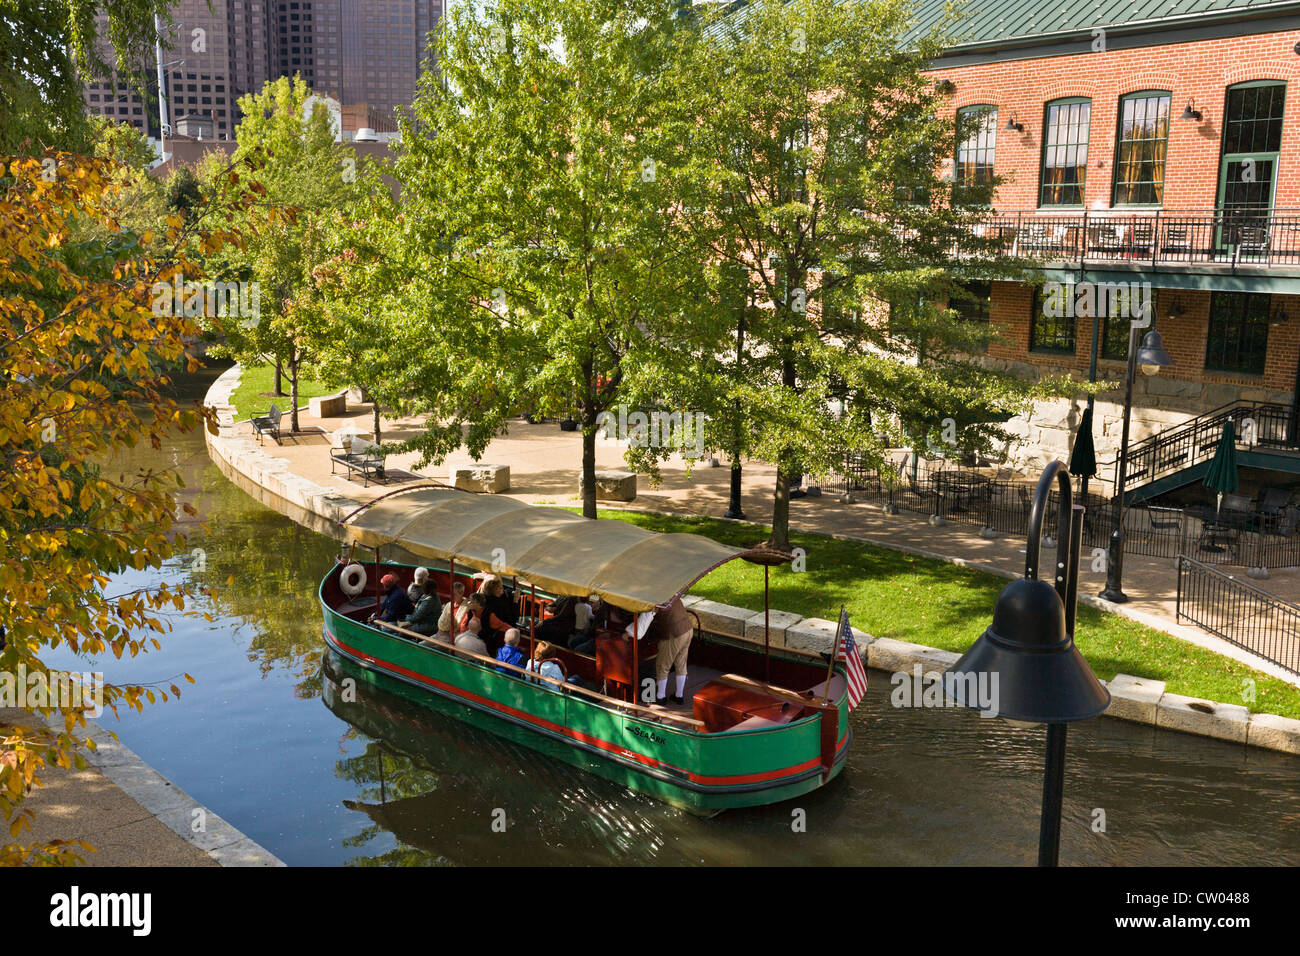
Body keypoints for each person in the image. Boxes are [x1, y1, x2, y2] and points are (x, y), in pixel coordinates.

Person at [649, 596, 693, 705]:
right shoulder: (672, 593)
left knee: (663, 665)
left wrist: (628, 634)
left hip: (674, 634)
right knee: (681, 663)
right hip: (687, 629)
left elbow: (642, 624)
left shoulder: (653, 598)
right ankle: (679, 696)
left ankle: (660, 697)